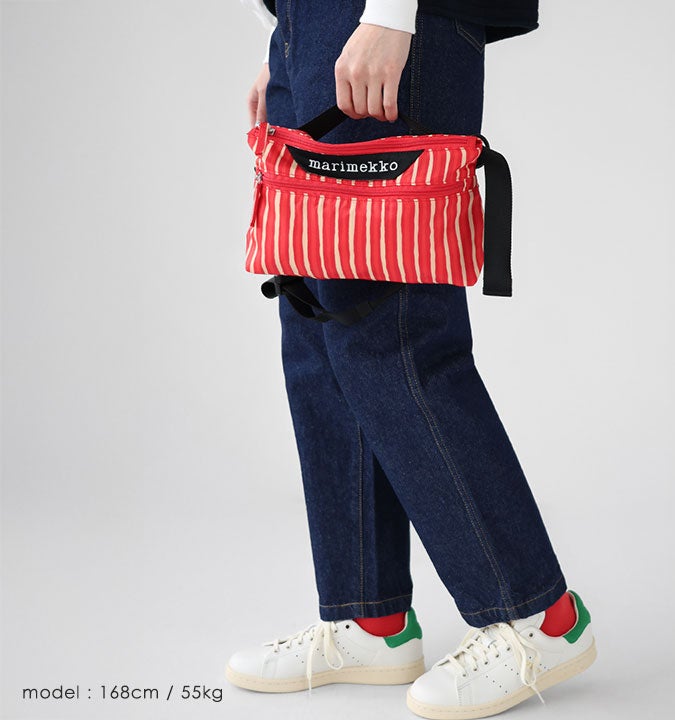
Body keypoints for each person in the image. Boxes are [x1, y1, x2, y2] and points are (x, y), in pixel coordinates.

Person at [226, 1, 597, 717]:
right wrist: (287, 34)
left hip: (389, 11)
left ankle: (538, 618)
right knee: (318, 324)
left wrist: (393, 11)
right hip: (313, 23)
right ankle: (369, 620)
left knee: (392, 337)